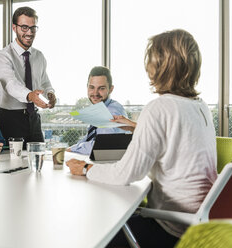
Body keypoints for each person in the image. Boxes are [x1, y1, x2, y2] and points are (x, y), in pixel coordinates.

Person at [66, 29, 217, 247]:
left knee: (92, 234)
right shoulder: (200, 107)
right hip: (200, 220)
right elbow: (178, 140)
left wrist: (86, 169)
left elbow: (126, 173)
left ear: (160, 66)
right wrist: (138, 128)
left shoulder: (159, 107)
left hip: (170, 226)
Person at [0, 6, 56, 147]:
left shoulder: (39, 56)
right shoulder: (2, 56)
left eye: (33, 28)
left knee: (37, 159)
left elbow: (44, 81)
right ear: (14, 28)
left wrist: (50, 93)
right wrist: (30, 96)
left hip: (33, 118)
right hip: (10, 119)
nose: (29, 32)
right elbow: (10, 84)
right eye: (24, 27)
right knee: (11, 163)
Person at [67, 66, 129, 155]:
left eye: (101, 88)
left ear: (111, 89)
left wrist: (73, 149)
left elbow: (101, 145)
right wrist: (74, 147)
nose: (95, 93)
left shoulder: (112, 111)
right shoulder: (101, 108)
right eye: (92, 87)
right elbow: (92, 137)